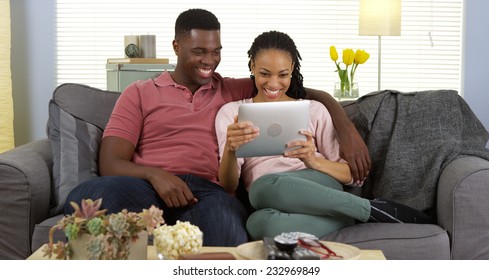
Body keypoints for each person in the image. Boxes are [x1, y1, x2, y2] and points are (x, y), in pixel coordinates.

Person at [64, 8, 368, 246]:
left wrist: (342, 120)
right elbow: (110, 161)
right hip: (148, 186)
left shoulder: (229, 90)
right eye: (199, 51)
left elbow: (283, 86)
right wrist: (156, 176)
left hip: (207, 193)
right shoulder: (140, 92)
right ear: (176, 46)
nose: (209, 61)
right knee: (85, 198)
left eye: (216, 51)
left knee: (226, 232)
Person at [215, 30, 433, 240]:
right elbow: (229, 185)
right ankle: (350, 217)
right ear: (252, 66)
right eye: (264, 74)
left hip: (316, 182)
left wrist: (313, 161)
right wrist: (231, 150)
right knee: (259, 223)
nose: (273, 84)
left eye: (282, 75)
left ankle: (370, 209)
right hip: (269, 199)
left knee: (263, 187)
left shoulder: (313, 109)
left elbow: (351, 176)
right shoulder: (232, 113)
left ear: (292, 68)